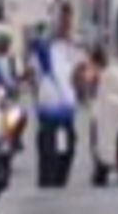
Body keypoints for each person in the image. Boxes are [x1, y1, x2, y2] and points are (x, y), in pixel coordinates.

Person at [29, 15, 82, 189]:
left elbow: (81, 74)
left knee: (66, 158)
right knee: (48, 162)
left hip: (67, 117)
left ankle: (58, 186)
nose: (66, 28)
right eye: (63, 24)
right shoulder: (43, 53)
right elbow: (33, 77)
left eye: (67, 25)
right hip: (49, 116)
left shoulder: (72, 51)